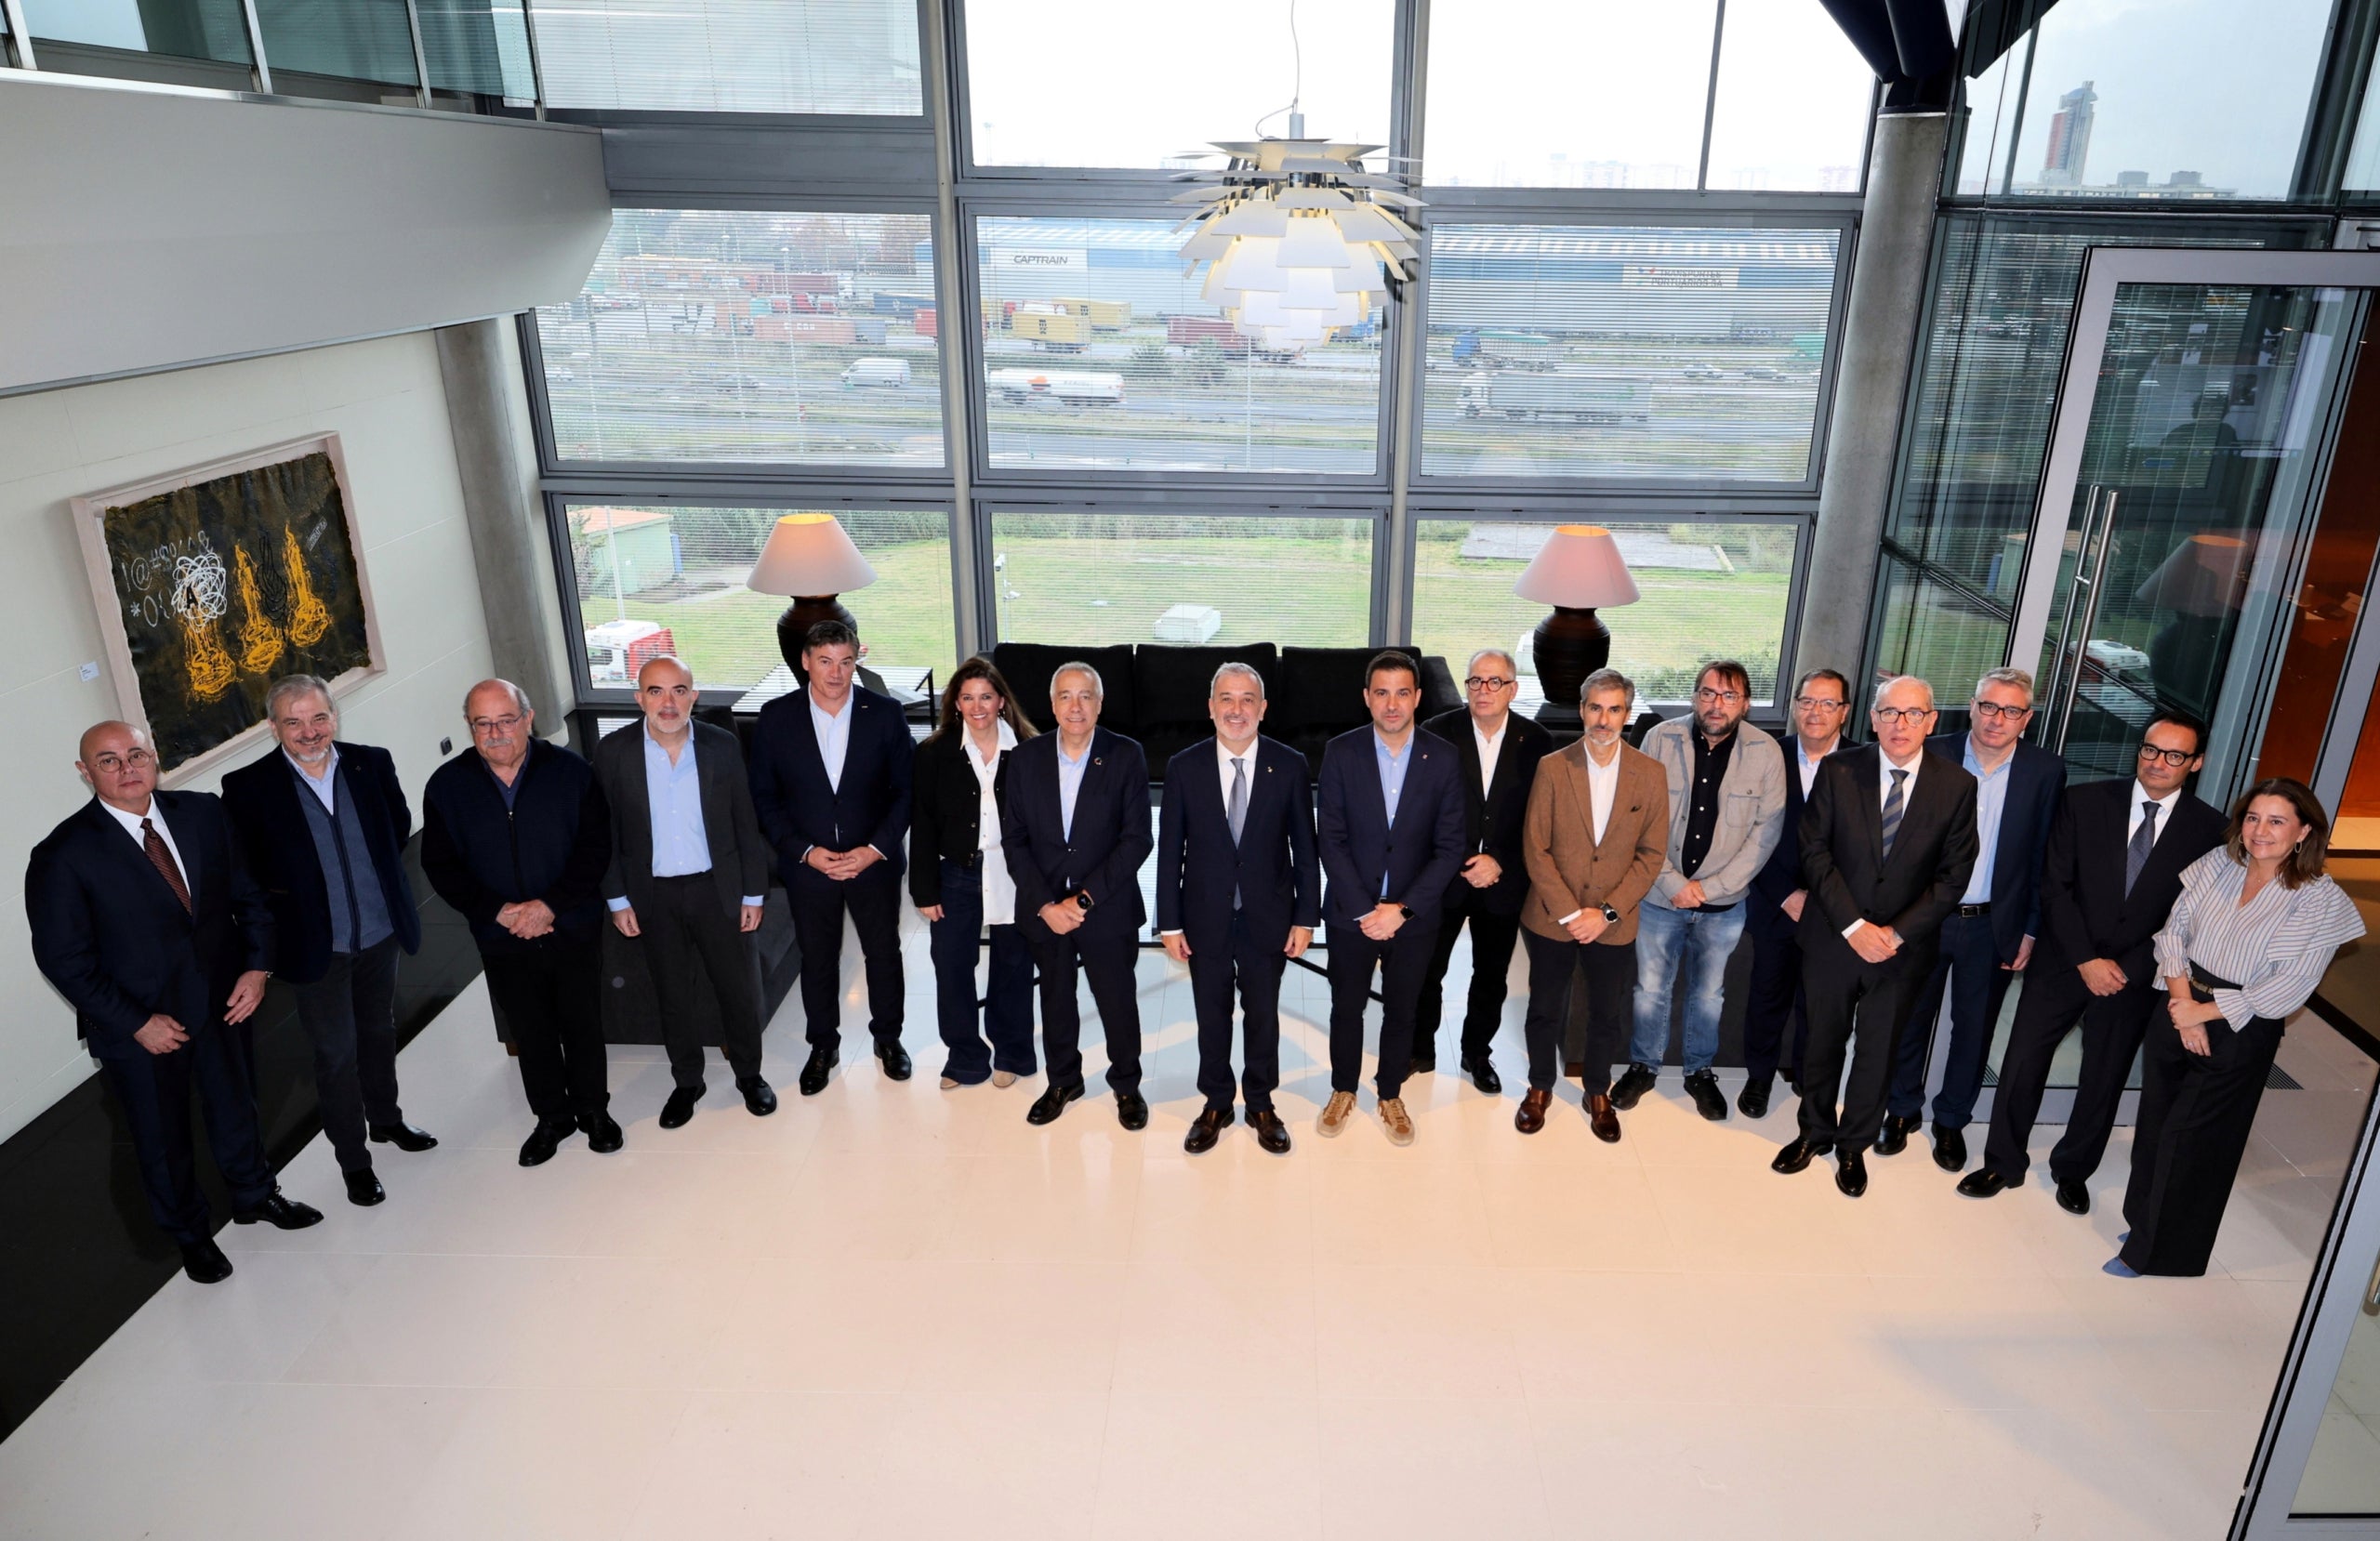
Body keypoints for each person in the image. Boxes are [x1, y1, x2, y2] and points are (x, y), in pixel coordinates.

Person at [28, 721, 324, 1284]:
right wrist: (137, 1022)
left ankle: (255, 1194)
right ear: (85, 772)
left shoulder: (203, 813)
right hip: (139, 1026)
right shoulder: (63, 854)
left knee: (237, 1105)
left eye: (136, 754)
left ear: (155, 757)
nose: (127, 768)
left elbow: (249, 897)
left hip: (221, 1000)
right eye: (109, 760)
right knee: (161, 1137)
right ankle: (191, 1235)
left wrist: (257, 968)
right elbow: (64, 959)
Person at [1962, 712, 2226, 1211]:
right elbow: (2054, 885)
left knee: (2104, 1076)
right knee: (2023, 1062)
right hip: (2064, 960)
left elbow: (2190, 917)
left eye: (2174, 755)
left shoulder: (2211, 830)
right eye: (2150, 749)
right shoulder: (2084, 801)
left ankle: (2073, 1169)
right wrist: (2086, 959)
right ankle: (2002, 1161)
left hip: (2135, 973)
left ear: (2196, 763)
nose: (2158, 762)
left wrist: (2127, 966)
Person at [2111, 780, 2362, 1278]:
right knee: (2157, 1124)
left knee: (2195, 1140)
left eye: (2276, 821)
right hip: (2178, 1001)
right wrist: (2184, 1005)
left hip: (2241, 1025)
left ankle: (2161, 1255)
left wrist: (2203, 1014)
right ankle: (2144, 1225)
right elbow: (2173, 933)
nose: (2260, 831)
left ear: (2303, 831)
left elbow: (2290, 986)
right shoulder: (2219, 864)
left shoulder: (2319, 900)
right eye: (2252, 818)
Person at [221, 676, 433, 1210]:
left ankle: (386, 1120)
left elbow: (397, 827)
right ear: (273, 727)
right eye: (293, 722)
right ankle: (354, 1163)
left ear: (334, 717)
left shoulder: (371, 763)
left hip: (380, 933)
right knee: (336, 1055)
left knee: (379, 1032)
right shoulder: (247, 787)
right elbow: (247, 875)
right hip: (315, 949)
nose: (309, 731)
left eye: (319, 718)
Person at [1773, 676, 1977, 1199]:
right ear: (1872, 719)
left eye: (1913, 714)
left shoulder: (1956, 786)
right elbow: (1814, 851)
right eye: (1889, 713)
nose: (1900, 724)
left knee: (1878, 1050)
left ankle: (1853, 1146)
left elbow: (1953, 876)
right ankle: (1814, 1132)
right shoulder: (1840, 769)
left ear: (1932, 721)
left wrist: (1895, 933)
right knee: (1820, 1041)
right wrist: (1854, 926)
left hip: (1901, 949)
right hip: (1834, 937)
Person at [421, 680, 617, 1167]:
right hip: (502, 935)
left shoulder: (572, 772)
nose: (496, 733)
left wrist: (548, 906)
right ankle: (552, 1117)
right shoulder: (447, 786)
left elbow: (595, 850)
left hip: (570, 925)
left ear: (528, 719)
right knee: (530, 1029)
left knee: (582, 1022)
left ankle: (593, 1110)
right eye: (482, 723)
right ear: (469, 727)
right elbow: (441, 866)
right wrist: (501, 911)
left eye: (506, 720)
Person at [1880, 668, 2065, 1172]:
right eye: (1988, 706)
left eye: (2010, 710)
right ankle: (1901, 1109)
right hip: (1925, 917)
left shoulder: (2044, 771)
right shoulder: (1932, 752)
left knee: (1974, 1029)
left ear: (2026, 718)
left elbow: (2043, 856)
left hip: (1993, 924)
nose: (1996, 719)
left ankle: (1951, 1120)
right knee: (1909, 1017)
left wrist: (2030, 928)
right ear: (1972, 706)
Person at [592, 655, 775, 1129]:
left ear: (694, 696)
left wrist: (753, 894)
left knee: (736, 990)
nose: (668, 702)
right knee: (673, 994)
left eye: (679, 690)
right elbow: (603, 834)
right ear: (640, 699)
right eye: (656, 691)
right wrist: (617, 899)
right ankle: (688, 1081)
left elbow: (745, 822)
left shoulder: (721, 745)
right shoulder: (613, 752)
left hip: (717, 890)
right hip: (652, 897)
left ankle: (749, 1074)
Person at [1156, 663, 1319, 1155]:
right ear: (1211, 708)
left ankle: (1261, 1103)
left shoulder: (1289, 765)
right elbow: (1170, 852)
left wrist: (1305, 917)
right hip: (1203, 916)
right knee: (1212, 1015)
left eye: (1248, 699)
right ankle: (1217, 1102)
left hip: (1268, 916)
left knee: (1263, 1014)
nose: (1236, 709)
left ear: (1263, 709)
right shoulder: (1184, 767)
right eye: (1226, 698)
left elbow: (1304, 850)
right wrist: (1169, 922)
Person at [747, 619, 916, 1097]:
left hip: (873, 863)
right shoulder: (776, 717)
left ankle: (889, 1039)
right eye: (825, 662)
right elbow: (764, 798)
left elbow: (906, 791)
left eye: (845, 661)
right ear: (806, 662)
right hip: (809, 866)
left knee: (883, 953)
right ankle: (823, 1046)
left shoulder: (884, 713)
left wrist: (874, 850)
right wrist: (805, 852)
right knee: (818, 958)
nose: (836, 673)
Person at [1615, 660, 1785, 1123]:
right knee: (1650, 989)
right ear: (1694, 696)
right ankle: (1643, 1066)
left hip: (1724, 904)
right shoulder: (1659, 739)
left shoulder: (1766, 752)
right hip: (1659, 895)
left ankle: (1699, 1071)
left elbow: (1765, 835)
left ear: (1745, 704)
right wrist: (1672, 883)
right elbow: (1638, 817)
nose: (1717, 704)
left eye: (1729, 696)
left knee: (1709, 995)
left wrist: (1709, 889)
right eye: (1708, 693)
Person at [1314, 651, 1467, 1147]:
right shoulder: (1341, 752)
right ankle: (1342, 1089)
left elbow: (1450, 847)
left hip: (1413, 917)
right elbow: (1330, 838)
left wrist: (1401, 910)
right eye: (1382, 693)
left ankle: (1390, 1094)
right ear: (1367, 698)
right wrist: (1366, 909)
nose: (1392, 703)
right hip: (1351, 914)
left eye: (1403, 692)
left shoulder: (1443, 758)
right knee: (1346, 1007)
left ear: (1418, 697)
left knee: (1403, 1010)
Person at [1515, 669, 1667, 1140]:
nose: (1604, 719)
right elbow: (1535, 846)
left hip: (1613, 923)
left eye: (1614, 709)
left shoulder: (1650, 773)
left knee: (1606, 1012)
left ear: (1627, 714)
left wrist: (1604, 913)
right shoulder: (1552, 767)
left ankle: (1597, 1090)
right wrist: (1570, 912)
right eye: (1596, 708)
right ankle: (1540, 1086)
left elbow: (1651, 855)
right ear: (1582, 710)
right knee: (1544, 1008)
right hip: (1552, 916)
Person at [1001, 662, 1153, 1129]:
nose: (1075, 706)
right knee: (1056, 1000)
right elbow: (1015, 841)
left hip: (1106, 908)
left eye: (1086, 696)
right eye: (1065, 696)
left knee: (1117, 1001)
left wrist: (1083, 900)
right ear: (1052, 705)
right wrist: (1046, 905)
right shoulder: (1025, 759)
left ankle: (1126, 1085)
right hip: (1045, 909)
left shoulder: (1125, 755)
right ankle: (1063, 1080)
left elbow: (1137, 839)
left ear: (1100, 704)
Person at [1414, 648, 1554, 1092]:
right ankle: (1420, 1049)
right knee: (1427, 969)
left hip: (1503, 881)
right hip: (1444, 878)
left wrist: (1499, 861)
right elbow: (1423, 812)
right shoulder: (1436, 733)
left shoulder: (1537, 742)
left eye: (1495, 681)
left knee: (1491, 976)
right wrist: (1461, 860)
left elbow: (1539, 819)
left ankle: (1477, 1054)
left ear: (1513, 689)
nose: (1483, 690)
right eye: (1475, 680)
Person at [910, 657, 1038, 1090]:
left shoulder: (1030, 749)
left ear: (1001, 700)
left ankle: (1012, 1053)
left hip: (1014, 874)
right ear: (956, 703)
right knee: (952, 967)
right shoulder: (933, 753)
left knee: (1013, 967)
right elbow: (923, 823)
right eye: (968, 698)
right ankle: (964, 1057)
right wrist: (924, 890)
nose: (977, 706)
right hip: (956, 874)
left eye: (986, 697)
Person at [1739, 667, 1850, 1118]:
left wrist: (1826, 902)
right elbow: (1748, 834)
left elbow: (1865, 848)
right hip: (1774, 902)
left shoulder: (1864, 764)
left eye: (1827, 703)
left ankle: (1809, 1079)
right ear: (1794, 706)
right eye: (1807, 701)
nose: (1815, 712)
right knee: (1767, 996)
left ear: (1844, 712)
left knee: (1819, 1004)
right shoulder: (1769, 756)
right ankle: (1758, 1079)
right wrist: (1786, 895)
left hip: (1835, 912)